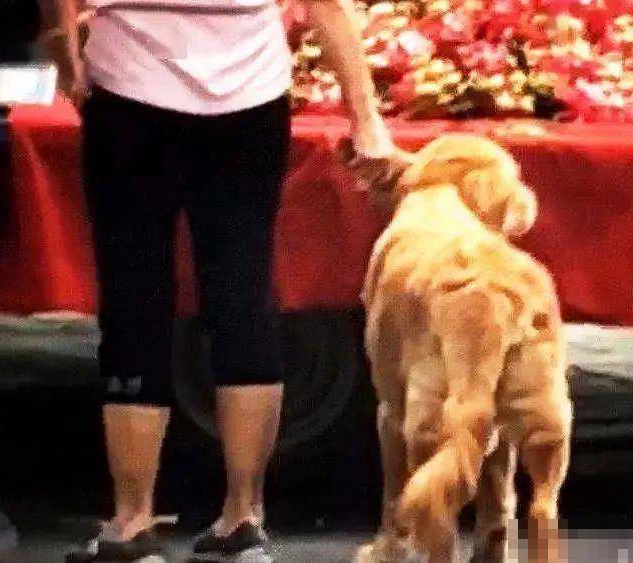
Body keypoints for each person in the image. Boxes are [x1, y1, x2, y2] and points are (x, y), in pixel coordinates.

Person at [45, 0, 408, 560]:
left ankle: (132, 521)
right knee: (243, 294)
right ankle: (244, 517)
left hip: (129, 89)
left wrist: (65, 51)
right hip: (249, 96)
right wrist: (365, 117)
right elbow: (326, 6)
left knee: (134, 300)